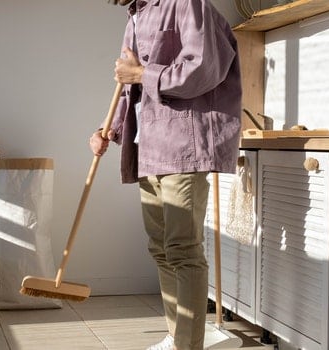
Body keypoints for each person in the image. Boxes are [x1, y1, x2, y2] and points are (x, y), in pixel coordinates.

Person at [92, 1, 242, 349]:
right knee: (160, 250)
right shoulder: (135, 16)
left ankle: (188, 345)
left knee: (183, 250)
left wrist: (141, 73)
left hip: (183, 147)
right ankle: (177, 338)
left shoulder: (186, 3)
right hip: (149, 147)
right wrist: (108, 129)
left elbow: (204, 68)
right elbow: (131, 92)